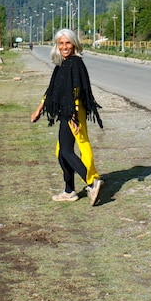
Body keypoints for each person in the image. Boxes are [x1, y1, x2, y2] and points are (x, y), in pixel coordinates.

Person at [31, 28, 104, 205]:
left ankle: (91, 182)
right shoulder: (62, 64)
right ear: (57, 45)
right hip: (67, 111)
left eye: (68, 43)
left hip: (72, 112)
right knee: (61, 151)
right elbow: (52, 91)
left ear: (74, 44)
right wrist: (39, 109)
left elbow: (77, 91)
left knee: (65, 151)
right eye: (61, 43)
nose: (64, 46)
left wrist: (73, 116)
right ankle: (69, 190)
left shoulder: (75, 63)